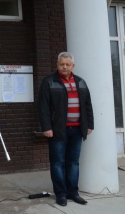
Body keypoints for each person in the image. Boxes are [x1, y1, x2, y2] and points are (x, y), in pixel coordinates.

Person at [38, 52, 94, 207]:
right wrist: (46, 127)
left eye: (67, 64)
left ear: (72, 66)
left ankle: (73, 193)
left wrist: (89, 125)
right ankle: (61, 194)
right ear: (57, 64)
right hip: (57, 131)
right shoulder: (49, 82)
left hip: (77, 130)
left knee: (73, 163)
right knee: (57, 163)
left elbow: (88, 105)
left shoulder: (81, 82)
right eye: (61, 64)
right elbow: (43, 107)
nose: (64, 67)